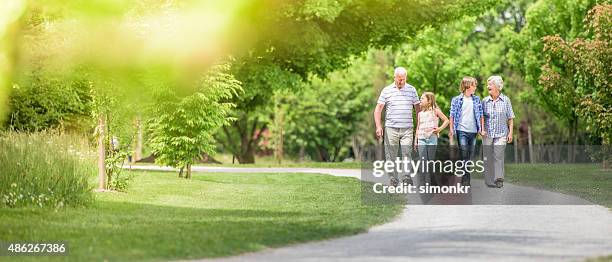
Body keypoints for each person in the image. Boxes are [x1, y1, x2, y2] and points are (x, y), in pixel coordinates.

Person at [374, 67, 421, 186]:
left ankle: (406, 177)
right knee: (391, 154)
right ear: (394, 78)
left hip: (407, 128)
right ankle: (393, 179)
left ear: (406, 78)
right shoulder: (386, 90)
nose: (401, 82)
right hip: (391, 128)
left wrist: (419, 127)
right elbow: (378, 109)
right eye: (399, 79)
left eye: (403, 79)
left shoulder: (412, 90)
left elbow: (418, 109)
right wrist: (378, 126)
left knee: (406, 153)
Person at [449, 77, 485, 186]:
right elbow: (452, 115)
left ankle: (465, 176)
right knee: (464, 154)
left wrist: (482, 130)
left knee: (470, 155)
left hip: (473, 131)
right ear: (468, 86)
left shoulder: (476, 99)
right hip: (461, 130)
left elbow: (481, 115)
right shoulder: (457, 100)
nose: (475, 88)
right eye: (474, 85)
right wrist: (451, 129)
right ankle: (466, 179)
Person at [482, 75, 515, 188]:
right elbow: (481, 118)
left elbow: (510, 118)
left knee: (498, 155)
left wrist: (510, 133)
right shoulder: (485, 101)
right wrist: (481, 130)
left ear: (497, 86)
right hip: (488, 133)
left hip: (501, 133)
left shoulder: (506, 100)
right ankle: (489, 179)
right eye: (487, 84)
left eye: (490, 84)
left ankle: (498, 178)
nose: (488, 86)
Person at [414, 92, 449, 185]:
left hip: (432, 139)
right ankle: (422, 182)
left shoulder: (435, 111)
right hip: (421, 139)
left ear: (429, 101)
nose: (420, 100)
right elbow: (418, 127)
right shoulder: (420, 114)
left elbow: (446, 120)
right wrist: (415, 140)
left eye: (422, 98)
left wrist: (439, 129)